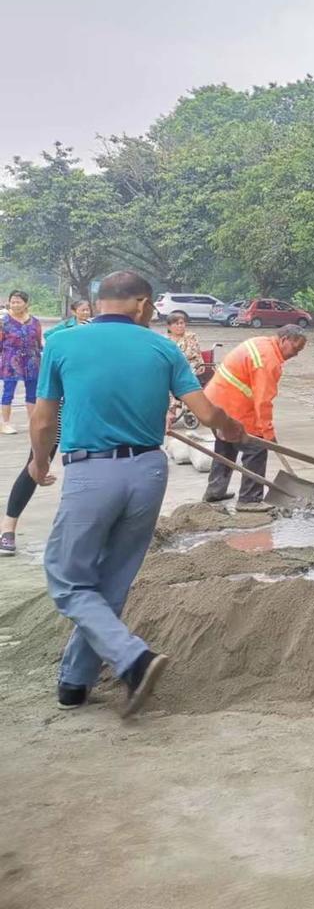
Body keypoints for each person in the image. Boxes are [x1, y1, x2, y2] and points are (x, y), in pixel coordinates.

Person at [30, 270, 244, 714]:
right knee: (112, 580)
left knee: (68, 580)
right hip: (148, 472)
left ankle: (133, 658)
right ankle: (74, 682)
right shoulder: (163, 348)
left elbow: (44, 420)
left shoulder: (63, 343)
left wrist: (39, 460)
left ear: (101, 301)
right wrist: (232, 428)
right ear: (143, 305)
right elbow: (205, 413)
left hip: (92, 472)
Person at [0, 302, 92, 555]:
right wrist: (41, 458)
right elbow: (45, 408)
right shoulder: (62, 351)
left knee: (91, 472)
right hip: (61, 416)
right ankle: (7, 528)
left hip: (89, 421)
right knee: (34, 465)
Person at [202, 325, 309, 506]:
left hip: (214, 403)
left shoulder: (262, 343)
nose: (296, 354)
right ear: (284, 340)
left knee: (225, 447)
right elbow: (263, 401)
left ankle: (215, 492)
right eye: (295, 348)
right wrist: (267, 432)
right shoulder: (269, 361)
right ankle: (250, 500)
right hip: (232, 405)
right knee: (256, 449)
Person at [1, 290, 44, 435]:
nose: (15, 305)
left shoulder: (35, 322)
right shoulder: (3, 322)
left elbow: (38, 342)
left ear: (26, 304)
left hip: (32, 360)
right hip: (10, 360)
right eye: (12, 302)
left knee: (32, 392)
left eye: (18, 302)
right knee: (8, 392)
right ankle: (5, 423)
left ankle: (32, 421)